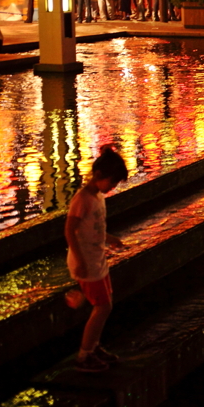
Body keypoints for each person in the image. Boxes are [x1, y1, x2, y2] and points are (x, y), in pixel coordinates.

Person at [64, 146, 129, 373]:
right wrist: (79, 260)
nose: (113, 187)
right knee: (102, 307)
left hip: (97, 259)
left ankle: (93, 346)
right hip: (87, 262)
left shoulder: (98, 197)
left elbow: (94, 228)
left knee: (105, 305)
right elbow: (70, 230)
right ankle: (84, 355)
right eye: (112, 182)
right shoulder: (82, 199)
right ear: (99, 176)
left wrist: (110, 239)